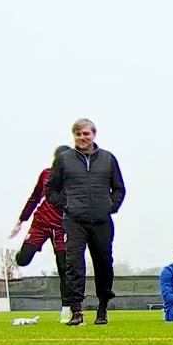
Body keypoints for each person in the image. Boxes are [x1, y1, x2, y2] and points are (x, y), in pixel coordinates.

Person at [46, 118, 126, 326]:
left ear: (93, 135)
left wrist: (110, 207)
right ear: (74, 136)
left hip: (101, 221)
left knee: (104, 264)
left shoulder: (108, 159)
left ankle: (102, 309)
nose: (82, 138)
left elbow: (119, 189)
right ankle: (76, 311)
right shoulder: (64, 159)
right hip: (74, 221)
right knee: (73, 264)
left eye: (86, 134)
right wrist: (67, 205)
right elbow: (50, 189)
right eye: (78, 134)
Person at [10, 145, 73, 323]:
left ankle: (66, 309)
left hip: (62, 227)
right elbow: (34, 197)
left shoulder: (74, 179)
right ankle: (21, 254)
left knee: (64, 268)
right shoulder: (46, 175)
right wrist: (21, 221)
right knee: (23, 260)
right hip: (41, 223)